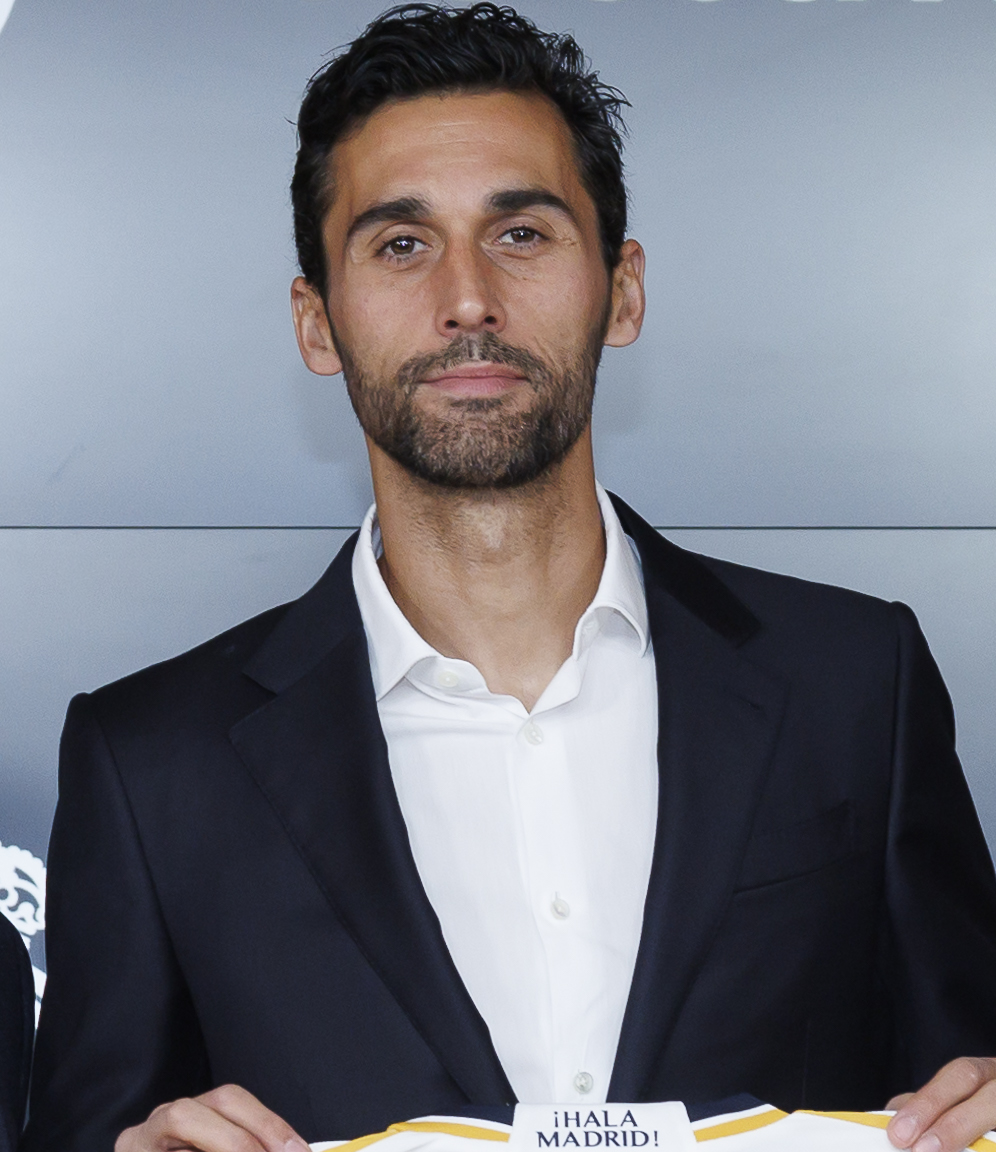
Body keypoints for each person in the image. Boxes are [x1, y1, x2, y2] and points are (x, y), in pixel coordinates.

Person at [20, 4, 996, 1151]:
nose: (468, 298)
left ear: (622, 289)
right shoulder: (150, 765)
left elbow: (961, 1083)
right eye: (400, 243)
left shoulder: (856, 685)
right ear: (316, 323)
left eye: (522, 233)